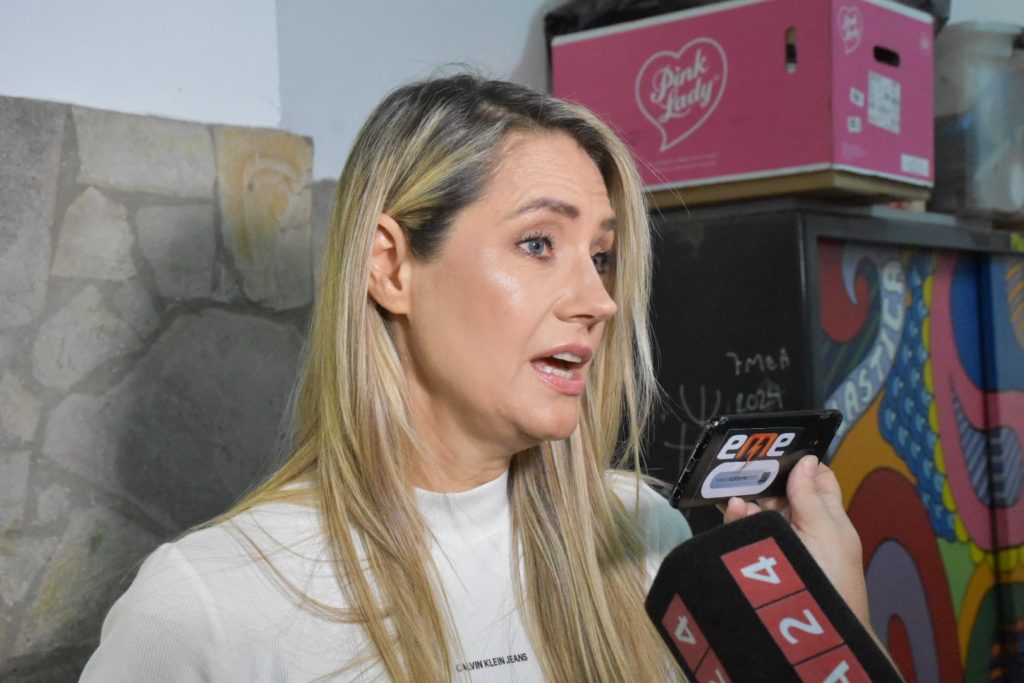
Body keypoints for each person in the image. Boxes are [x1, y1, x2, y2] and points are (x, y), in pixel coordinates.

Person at [81, 74, 869, 682]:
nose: (599, 300)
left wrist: (829, 626)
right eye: (538, 244)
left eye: (601, 255)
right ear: (391, 267)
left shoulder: (645, 532)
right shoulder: (203, 605)